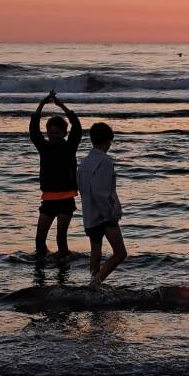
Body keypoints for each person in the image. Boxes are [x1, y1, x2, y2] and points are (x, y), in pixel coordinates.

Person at [29, 90, 82, 256]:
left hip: (66, 199)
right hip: (48, 200)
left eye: (56, 133)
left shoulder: (69, 147)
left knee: (61, 240)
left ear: (64, 133)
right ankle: (41, 271)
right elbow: (33, 130)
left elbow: (77, 126)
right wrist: (42, 104)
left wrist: (61, 106)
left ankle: (62, 275)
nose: (52, 136)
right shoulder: (44, 147)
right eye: (50, 133)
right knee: (39, 241)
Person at [77, 121, 127, 287]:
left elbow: (83, 189)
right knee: (120, 253)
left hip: (89, 215)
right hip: (103, 216)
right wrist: (111, 215)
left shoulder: (85, 162)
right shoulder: (104, 161)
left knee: (96, 254)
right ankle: (95, 284)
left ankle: (92, 281)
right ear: (108, 140)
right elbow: (101, 192)